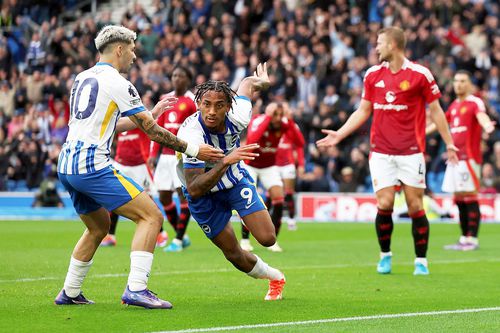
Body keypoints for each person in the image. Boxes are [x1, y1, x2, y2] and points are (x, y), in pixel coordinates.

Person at [54, 25, 223, 309]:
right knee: (151, 217)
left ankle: (69, 291)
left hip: (68, 164)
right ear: (119, 49)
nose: (134, 55)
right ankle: (137, 289)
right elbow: (154, 132)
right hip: (91, 165)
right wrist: (194, 149)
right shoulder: (118, 82)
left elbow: (105, 127)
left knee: (99, 226)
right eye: (132, 49)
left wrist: (151, 113)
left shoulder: (82, 77)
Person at [317, 26, 458, 276]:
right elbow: (363, 110)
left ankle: (421, 260)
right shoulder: (372, 75)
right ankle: (385, 256)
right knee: (385, 203)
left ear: (393, 45)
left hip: (411, 151)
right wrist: (340, 133)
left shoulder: (420, 75)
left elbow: (436, 112)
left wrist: (448, 143)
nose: (376, 48)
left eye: (380, 43)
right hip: (380, 152)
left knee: (415, 205)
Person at [177, 63, 286, 300]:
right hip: (203, 194)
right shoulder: (190, 134)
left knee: (268, 238)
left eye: (219, 105)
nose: (212, 111)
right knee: (234, 254)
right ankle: (275, 277)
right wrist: (226, 161)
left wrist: (262, 83)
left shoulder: (239, 115)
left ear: (229, 106)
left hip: (235, 182)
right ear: (198, 104)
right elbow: (195, 189)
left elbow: (246, 85)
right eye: (206, 104)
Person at [431, 70, 495, 251]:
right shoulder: (454, 105)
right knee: (459, 198)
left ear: (470, 84)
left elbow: (481, 116)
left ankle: (472, 239)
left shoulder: (474, 102)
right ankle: (463, 238)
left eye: (463, 81)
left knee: (470, 196)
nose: (458, 84)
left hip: (469, 158)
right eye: (456, 81)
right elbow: (440, 123)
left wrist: (487, 125)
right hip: (455, 158)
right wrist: (419, 134)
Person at [240, 102, 304, 252]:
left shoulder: (283, 125)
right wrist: (268, 117)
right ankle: (244, 240)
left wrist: (290, 120)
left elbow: (300, 142)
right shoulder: (258, 120)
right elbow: (252, 140)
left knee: (279, 200)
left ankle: (273, 240)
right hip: (251, 165)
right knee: (248, 202)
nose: (278, 118)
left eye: (280, 115)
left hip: (269, 167)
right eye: (275, 114)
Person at [149, 66, 197, 252]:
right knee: (164, 197)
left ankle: (177, 240)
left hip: (182, 156)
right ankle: (183, 236)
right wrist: (154, 154)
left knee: (182, 196)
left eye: (181, 75)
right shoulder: (165, 99)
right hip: (164, 157)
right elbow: (157, 128)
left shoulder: (192, 101)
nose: (176, 78)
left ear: (187, 79)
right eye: (174, 75)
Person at [100, 126, 169, 248]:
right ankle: (110, 235)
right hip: (121, 164)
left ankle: (161, 233)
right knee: (115, 199)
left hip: (140, 167)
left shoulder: (137, 118)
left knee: (148, 199)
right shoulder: (120, 121)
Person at [275, 113, 306, 231]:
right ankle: (272, 219)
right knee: (273, 194)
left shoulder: (292, 126)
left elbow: (299, 146)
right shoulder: (271, 124)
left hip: (288, 163)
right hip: (273, 164)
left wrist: (301, 164)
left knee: (288, 193)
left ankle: (291, 220)